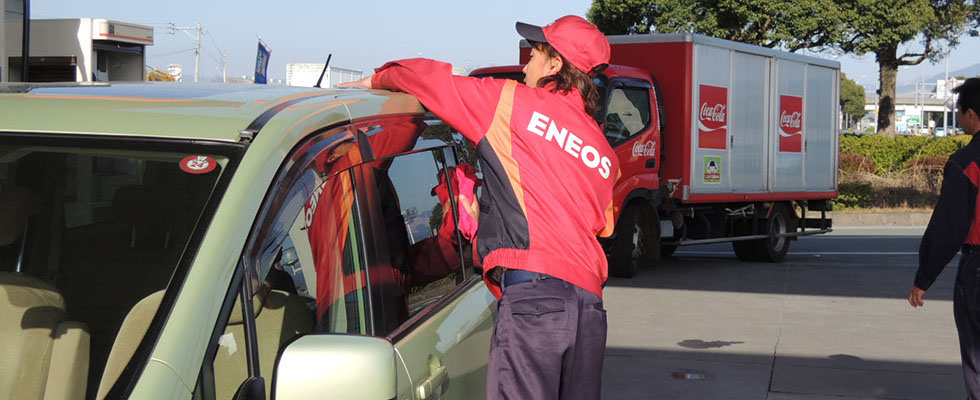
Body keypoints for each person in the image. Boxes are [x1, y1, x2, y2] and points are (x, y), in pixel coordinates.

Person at [342, 15, 619, 400]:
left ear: (555, 65)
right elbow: (601, 225)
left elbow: (431, 80)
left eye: (534, 55)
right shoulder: (604, 153)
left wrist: (378, 78)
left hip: (535, 301)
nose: (525, 65)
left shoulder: (511, 103)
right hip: (589, 308)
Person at [909, 77, 980, 398]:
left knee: (976, 356)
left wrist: (924, 278)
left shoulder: (967, 163)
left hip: (977, 268)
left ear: (971, 114)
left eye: (959, 111)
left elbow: (948, 228)